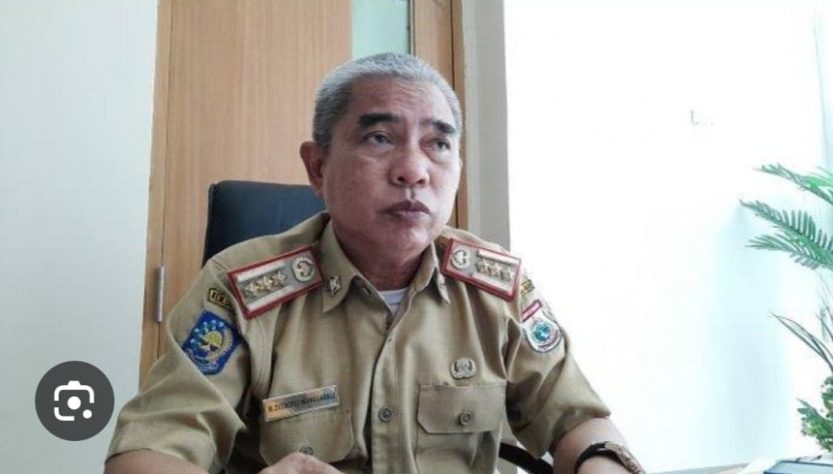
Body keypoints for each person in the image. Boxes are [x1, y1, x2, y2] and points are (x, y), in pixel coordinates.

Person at [104, 52, 643, 474]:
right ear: (318, 168)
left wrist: (601, 464)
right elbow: (146, 455)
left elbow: (579, 421)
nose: (413, 170)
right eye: (380, 138)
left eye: (438, 145)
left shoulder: (496, 287)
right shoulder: (239, 290)